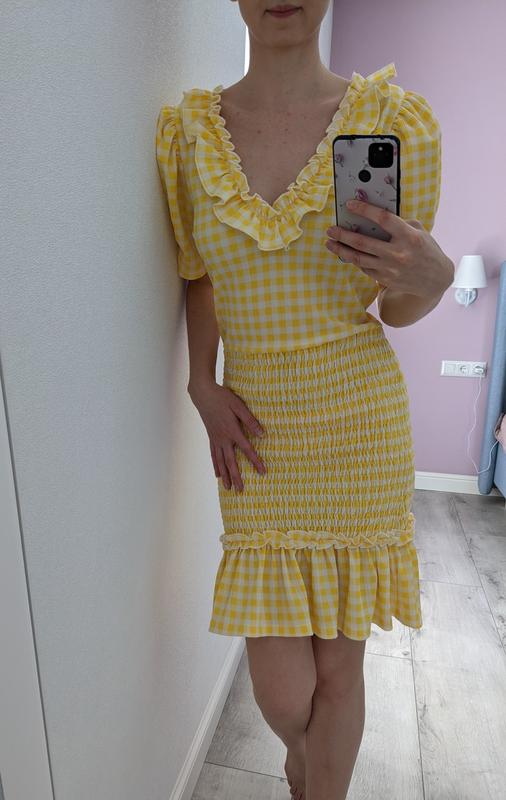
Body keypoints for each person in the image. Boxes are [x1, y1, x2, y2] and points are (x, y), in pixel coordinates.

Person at [155, 2, 454, 798]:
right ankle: (301, 757)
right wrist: (201, 383)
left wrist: (432, 280)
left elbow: (396, 305)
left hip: (359, 419)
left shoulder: (395, 124)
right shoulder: (190, 134)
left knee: (340, 668)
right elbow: (198, 273)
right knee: (284, 691)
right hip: (257, 429)